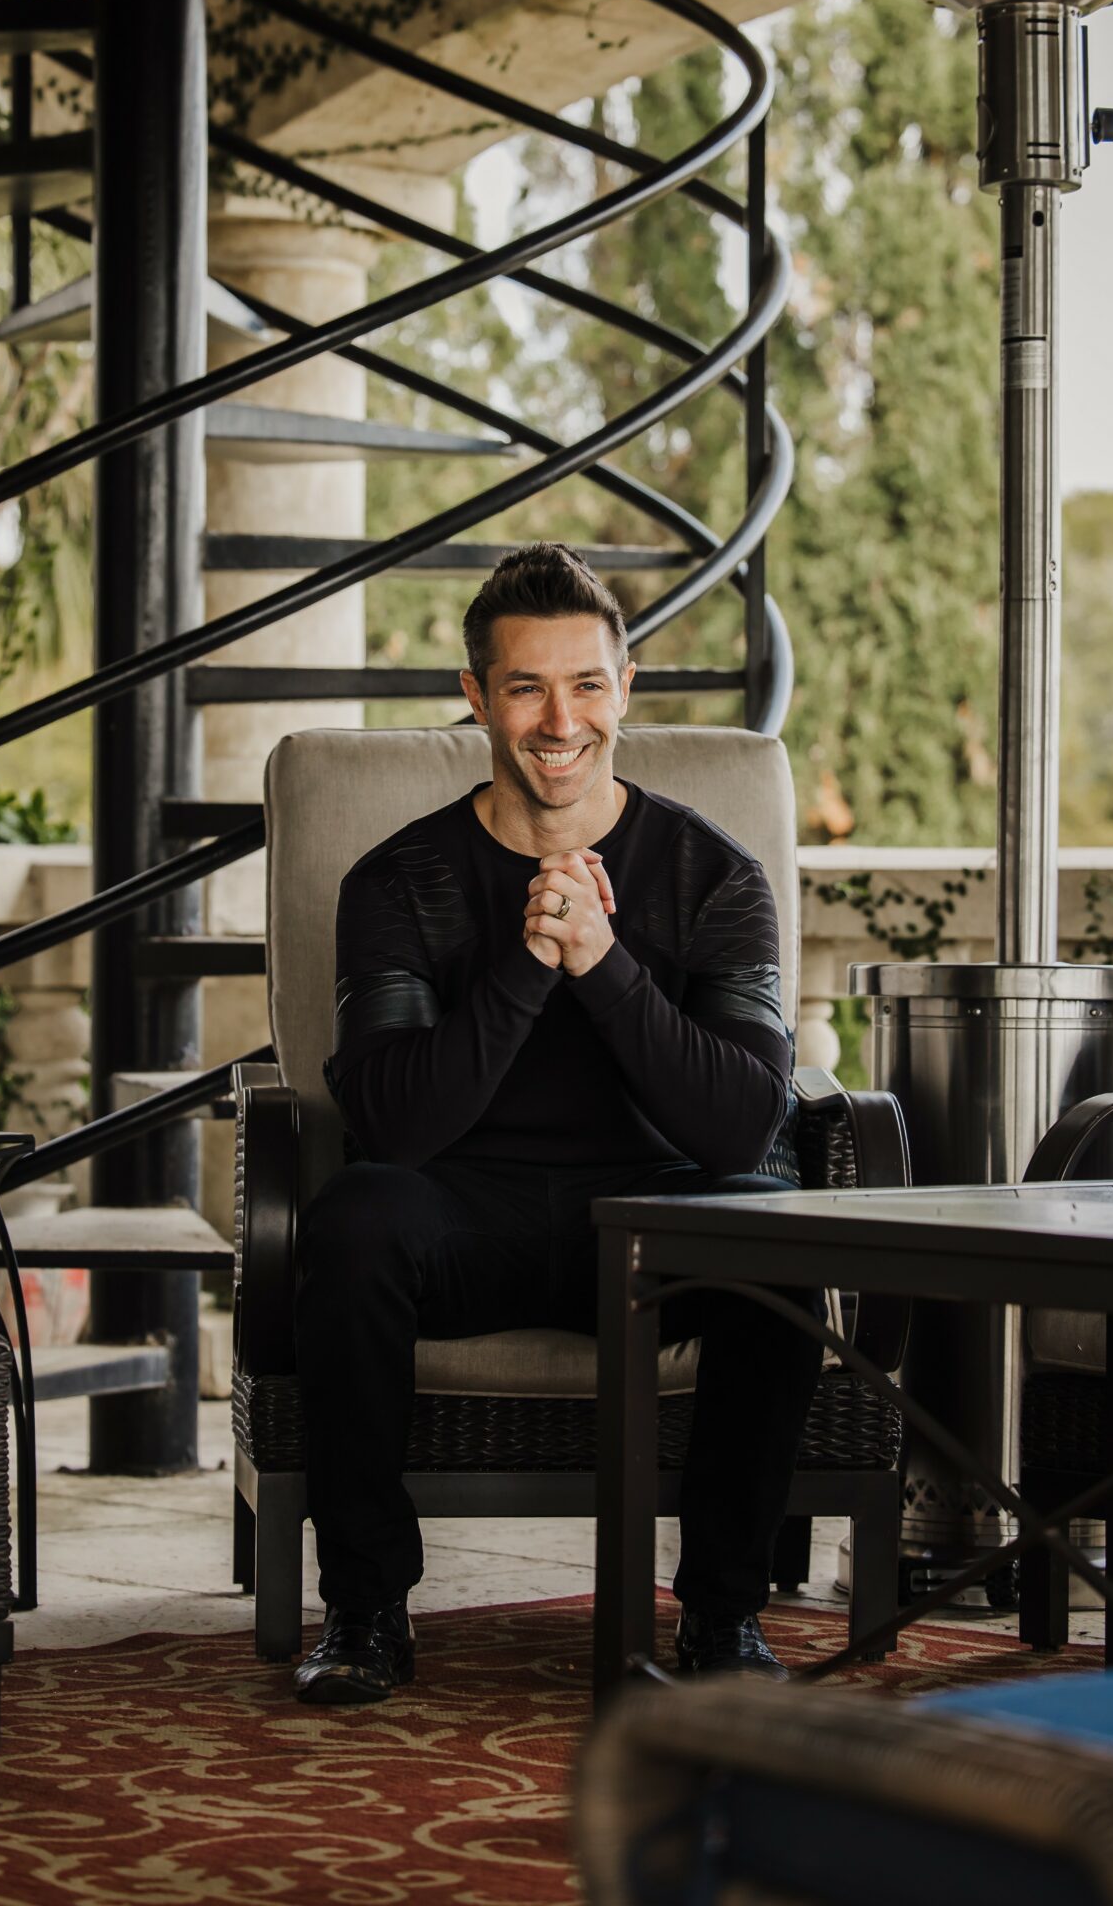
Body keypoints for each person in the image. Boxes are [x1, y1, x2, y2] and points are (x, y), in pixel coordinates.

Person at [293, 542, 822, 1706]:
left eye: (585, 684)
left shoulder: (713, 875)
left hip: (652, 1213)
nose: (559, 719)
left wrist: (602, 960)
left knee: (774, 1231)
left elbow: (741, 1126)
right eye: (525, 686)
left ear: (625, 687)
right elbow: (391, 1120)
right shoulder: (398, 880)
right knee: (350, 1220)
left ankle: (723, 1612)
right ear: (476, 696)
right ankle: (366, 1607)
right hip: (458, 1211)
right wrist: (530, 962)